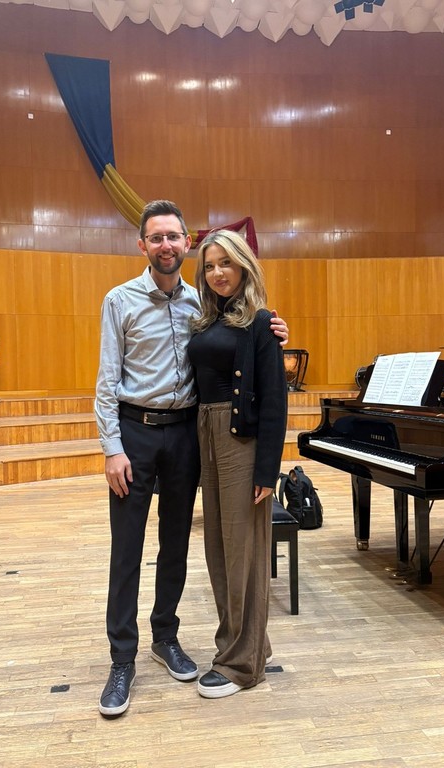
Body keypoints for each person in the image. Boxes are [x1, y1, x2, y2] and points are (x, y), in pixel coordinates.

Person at [94, 200, 288, 717]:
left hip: (187, 434)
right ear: (143, 244)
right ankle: (122, 659)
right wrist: (112, 448)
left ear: (185, 242)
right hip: (136, 433)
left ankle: (165, 636)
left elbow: (251, 353)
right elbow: (106, 382)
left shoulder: (200, 306)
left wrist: (273, 332)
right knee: (127, 549)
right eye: (156, 237)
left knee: (178, 544)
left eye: (174, 237)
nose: (166, 245)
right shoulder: (121, 300)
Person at [188, 229, 288, 699]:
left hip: (240, 440)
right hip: (206, 434)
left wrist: (267, 471)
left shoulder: (261, 322)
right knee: (220, 549)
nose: (217, 273)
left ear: (244, 265)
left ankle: (241, 666)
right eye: (209, 266)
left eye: (225, 263)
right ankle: (249, 645)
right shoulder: (206, 319)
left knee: (243, 552)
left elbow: (274, 400)